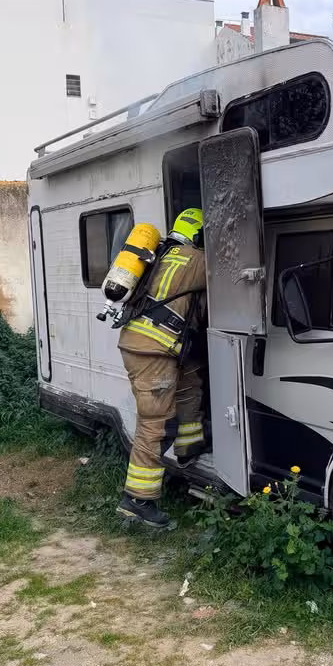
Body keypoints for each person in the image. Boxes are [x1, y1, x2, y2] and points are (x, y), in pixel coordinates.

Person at [116, 208, 207, 527]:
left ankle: (189, 446)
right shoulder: (196, 259)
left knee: (190, 379)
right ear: (198, 235)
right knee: (155, 424)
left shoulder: (160, 254)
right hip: (154, 351)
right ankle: (138, 500)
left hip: (145, 344)